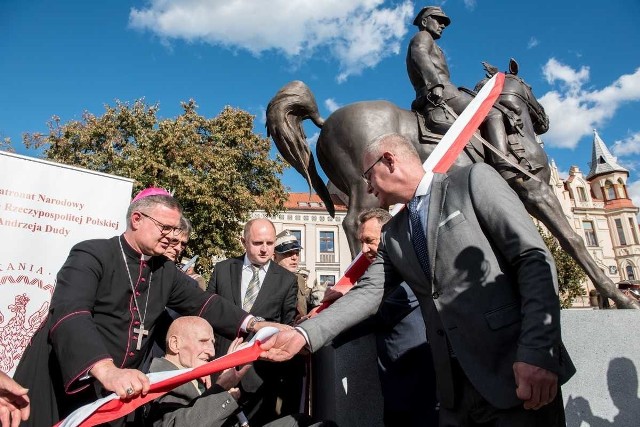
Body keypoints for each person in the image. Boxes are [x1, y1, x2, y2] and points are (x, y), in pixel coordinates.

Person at [262, 134, 576, 426]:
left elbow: (532, 259)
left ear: (389, 160)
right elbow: (369, 292)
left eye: (368, 176)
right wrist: (303, 334)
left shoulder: (472, 181)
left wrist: (538, 352)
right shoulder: (394, 234)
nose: (369, 189)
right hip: (453, 395)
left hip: (516, 374)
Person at [13, 188, 273, 427]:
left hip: (114, 392)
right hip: (66, 381)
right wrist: (106, 370)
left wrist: (255, 324)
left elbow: (204, 302)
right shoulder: (91, 254)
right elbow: (71, 314)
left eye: (175, 229)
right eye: (165, 227)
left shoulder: (163, 270)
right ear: (137, 219)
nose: (172, 237)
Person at [407, 5, 525, 175]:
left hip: (440, 92)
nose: (442, 26)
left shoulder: (432, 43)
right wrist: (435, 84)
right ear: (425, 21)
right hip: (444, 93)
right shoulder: (422, 37)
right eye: (438, 21)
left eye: (444, 23)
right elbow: (419, 54)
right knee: (492, 114)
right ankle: (503, 165)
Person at [208, 218, 299, 426]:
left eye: (270, 243)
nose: (265, 250)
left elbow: (286, 327)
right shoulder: (222, 270)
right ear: (244, 241)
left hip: (261, 377)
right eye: (258, 243)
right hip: (219, 368)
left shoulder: (286, 280)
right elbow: (208, 313)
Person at [358, 208, 438, 426]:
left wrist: (311, 335)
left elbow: (377, 314)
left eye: (369, 241)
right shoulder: (378, 274)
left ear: (388, 236)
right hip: (395, 389)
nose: (364, 249)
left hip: (421, 389)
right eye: (361, 242)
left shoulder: (410, 268)